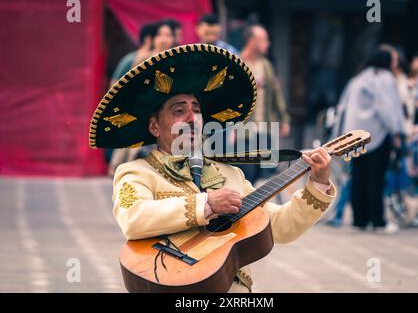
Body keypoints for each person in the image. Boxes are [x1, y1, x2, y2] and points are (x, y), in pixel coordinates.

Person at [89, 44, 336, 292]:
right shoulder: (136, 172)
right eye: (179, 110)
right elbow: (134, 219)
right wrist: (206, 205)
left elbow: (279, 227)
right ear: (155, 127)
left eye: (196, 109)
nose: (192, 117)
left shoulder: (230, 174)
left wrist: (318, 183)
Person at [334, 48, 406, 234]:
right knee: (376, 179)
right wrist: (398, 131)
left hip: (355, 136)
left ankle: (360, 219)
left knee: (358, 177)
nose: (395, 64)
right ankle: (378, 221)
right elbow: (388, 109)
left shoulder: (358, 79)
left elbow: (343, 107)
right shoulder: (385, 79)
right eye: (393, 60)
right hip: (377, 135)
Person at [108, 20, 176, 175]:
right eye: (160, 34)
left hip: (168, 119)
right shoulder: (141, 60)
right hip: (141, 117)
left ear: (173, 39)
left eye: (168, 35)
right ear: (153, 38)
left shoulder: (177, 62)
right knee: (132, 165)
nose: (164, 39)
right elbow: (126, 89)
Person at [238, 24, 291, 183]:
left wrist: (284, 119)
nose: (267, 44)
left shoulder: (266, 65)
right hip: (244, 130)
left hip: (266, 129)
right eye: (264, 40)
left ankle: (261, 208)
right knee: (246, 174)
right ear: (252, 41)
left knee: (266, 174)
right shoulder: (238, 62)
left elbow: (276, 94)